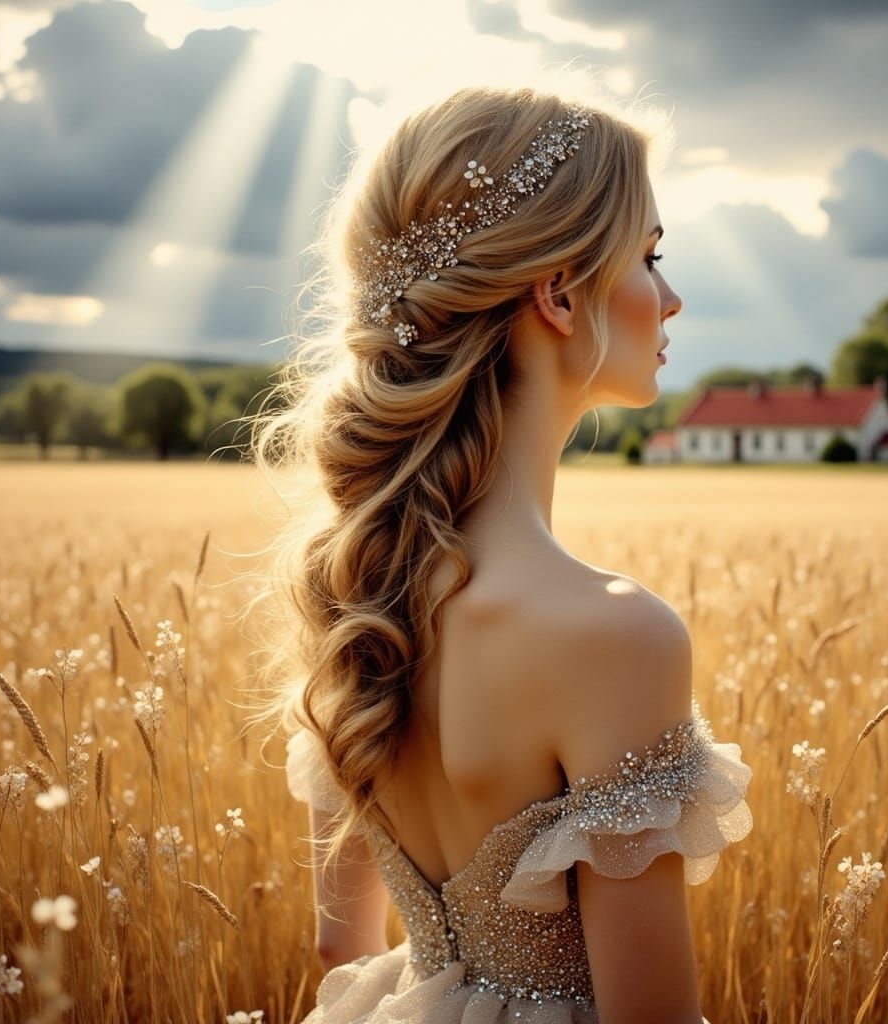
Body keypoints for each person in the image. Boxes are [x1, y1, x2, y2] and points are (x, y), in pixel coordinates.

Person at [255, 81, 754, 1023]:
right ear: (560, 292)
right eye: (649, 256)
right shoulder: (615, 636)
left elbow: (339, 943)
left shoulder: (359, 584)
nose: (673, 297)